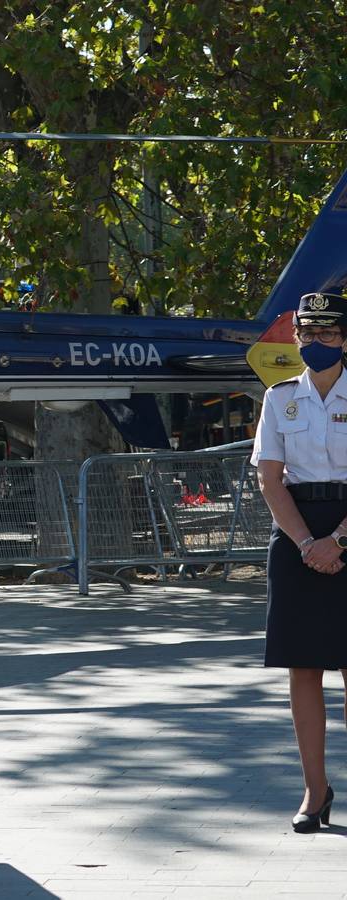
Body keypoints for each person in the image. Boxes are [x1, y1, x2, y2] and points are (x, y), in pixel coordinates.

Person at [251, 289, 347, 834]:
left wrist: (338, 540)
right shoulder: (279, 397)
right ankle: (316, 789)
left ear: (346, 339)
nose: (315, 342)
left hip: (345, 527)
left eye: (327, 333)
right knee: (304, 669)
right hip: (296, 534)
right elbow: (270, 477)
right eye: (307, 333)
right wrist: (309, 543)